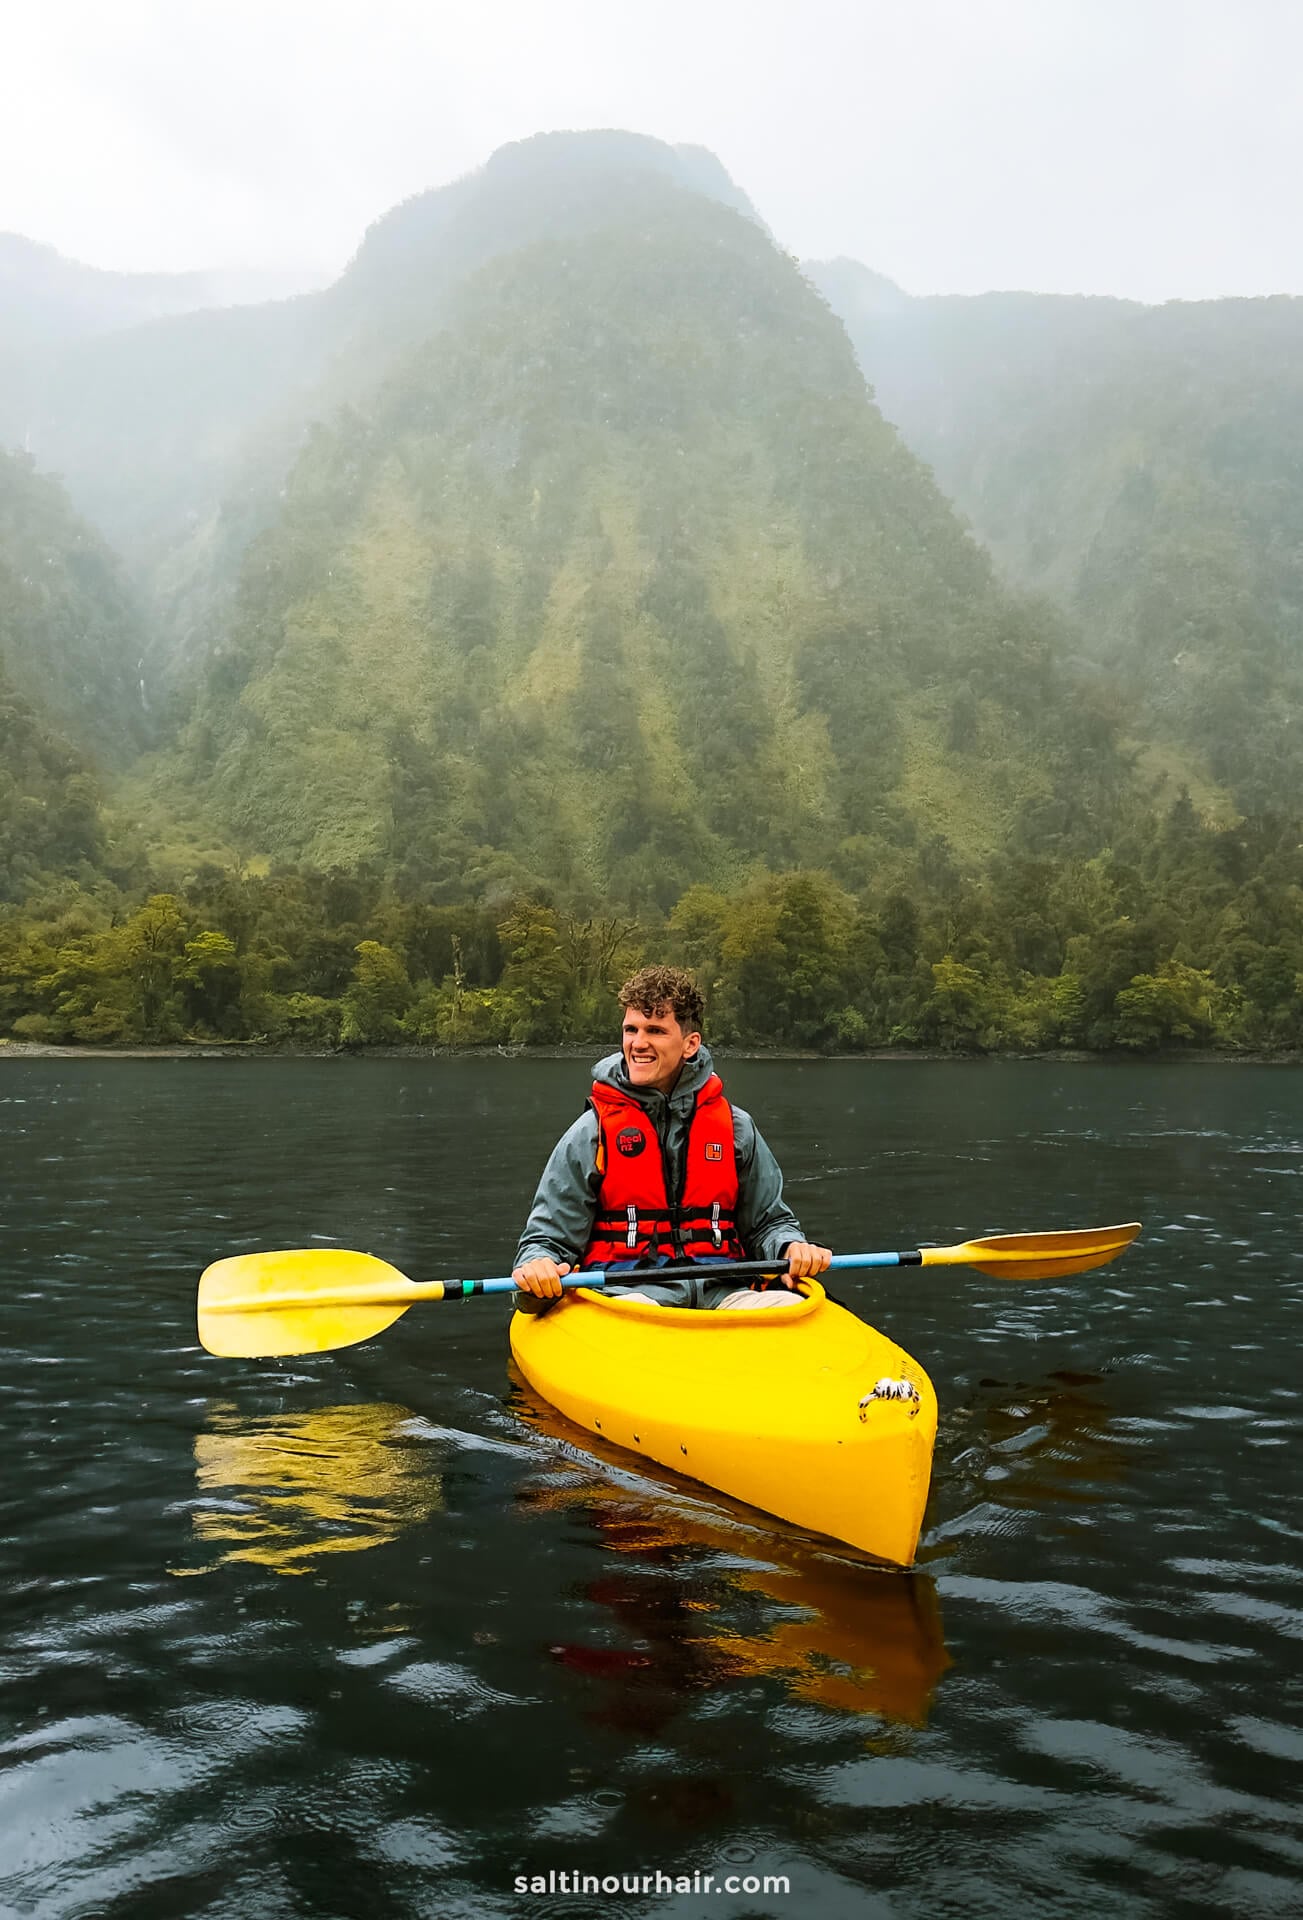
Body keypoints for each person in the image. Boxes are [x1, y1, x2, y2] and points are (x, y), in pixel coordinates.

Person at [513, 964, 831, 1312]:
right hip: (626, 1297)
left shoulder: (736, 1128)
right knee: (635, 1318)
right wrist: (538, 1265)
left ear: (690, 1044)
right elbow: (545, 1240)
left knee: (787, 1307)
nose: (638, 1043)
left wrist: (790, 1246)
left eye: (655, 1031)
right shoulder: (592, 1133)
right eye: (630, 1029)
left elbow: (769, 1223)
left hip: (724, 1293)